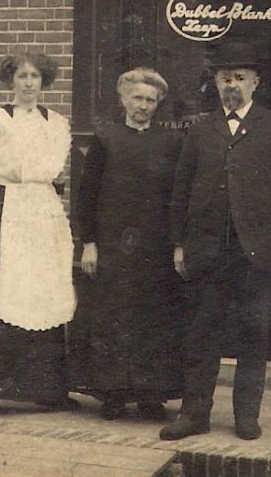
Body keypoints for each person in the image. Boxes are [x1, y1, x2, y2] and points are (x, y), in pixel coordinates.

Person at [160, 39, 271, 442]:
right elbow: (181, 191)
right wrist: (180, 243)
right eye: (226, 78)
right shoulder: (200, 130)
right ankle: (195, 414)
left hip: (258, 251)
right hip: (208, 250)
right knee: (201, 336)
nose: (233, 85)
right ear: (216, 83)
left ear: (255, 82)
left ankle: (246, 416)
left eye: (240, 78)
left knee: (253, 335)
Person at [0, 50, 78, 416]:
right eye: (22, 76)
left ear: (43, 81)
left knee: (43, 292)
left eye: (34, 77)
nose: (28, 83)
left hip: (43, 210)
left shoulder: (56, 122)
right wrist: (0, 204)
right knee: (2, 293)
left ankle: (47, 389)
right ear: (10, 81)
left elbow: (56, 171)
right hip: (7, 208)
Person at [70, 68, 186, 421]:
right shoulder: (106, 139)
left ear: (158, 104)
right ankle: (113, 394)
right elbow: (86, 196)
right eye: (137, 98)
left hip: (156, 247)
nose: (143, 106)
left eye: (150, 100)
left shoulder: (171, 142)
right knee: (113, 316)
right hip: (113, 245)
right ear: (123, 99)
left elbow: (178, 196)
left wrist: (178, 243)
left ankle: (152, 396)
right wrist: (89, 243)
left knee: (154, 318)